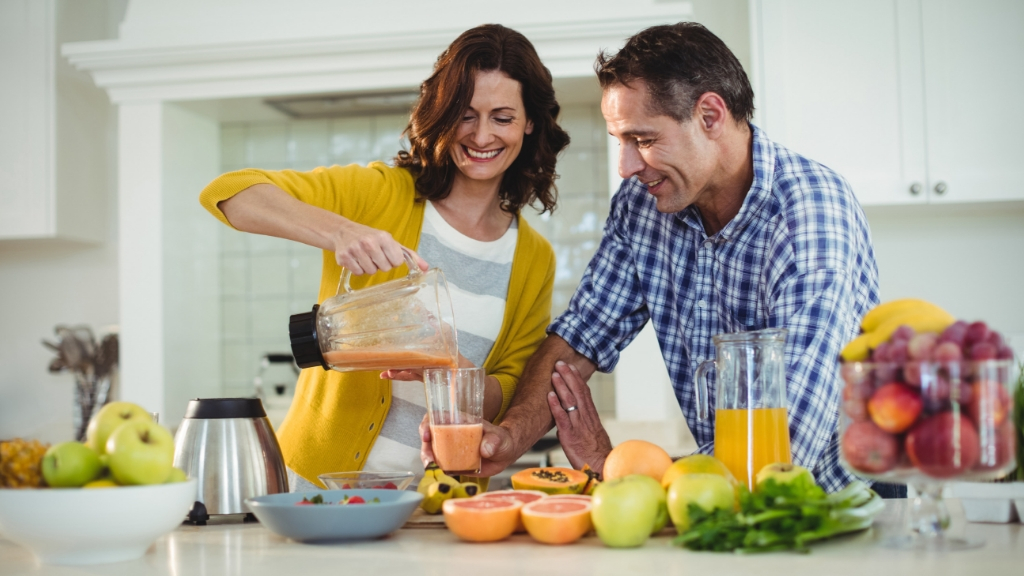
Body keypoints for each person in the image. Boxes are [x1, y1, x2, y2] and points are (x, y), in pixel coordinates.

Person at [429, 22, 885, 495]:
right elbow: (582, 336)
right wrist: (512, 436)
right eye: (620, 142)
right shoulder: (643, 203)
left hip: (835, 508)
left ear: (709, 115)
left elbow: (787, 445)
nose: (627, 166)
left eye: (643, 140)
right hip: (719, 499)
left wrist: (621, 468)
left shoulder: (809, 210)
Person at [200, 24, 569, 490]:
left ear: (529, 122)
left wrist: (450, 367)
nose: (481, 136)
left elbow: (508, 388)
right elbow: (228, 192)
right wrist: (340, 231)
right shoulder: (381, 194)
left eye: (502, 117)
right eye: (466, 114)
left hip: (429, 500)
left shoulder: (534, 256)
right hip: (315, 487)